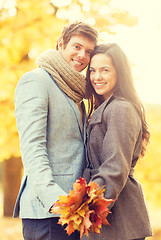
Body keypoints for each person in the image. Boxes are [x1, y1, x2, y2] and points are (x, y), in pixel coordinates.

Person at [13, 21, 98, 240]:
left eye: (88, 52)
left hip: (74, 212)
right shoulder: (37, 81)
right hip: (48, 212)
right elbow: (33, 147)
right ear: (61, 44)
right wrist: (54, 200)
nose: (82, 55)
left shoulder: (75, 91)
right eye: (77, 47)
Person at [82, 43, 153, 240]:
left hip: (120, 218)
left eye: (105, 70)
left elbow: (114, 168)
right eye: (93, 71)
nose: (97, 77)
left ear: (119, 72)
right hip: (110, 215)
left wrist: (86, 206)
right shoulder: (106, 106)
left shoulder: (121, 108)